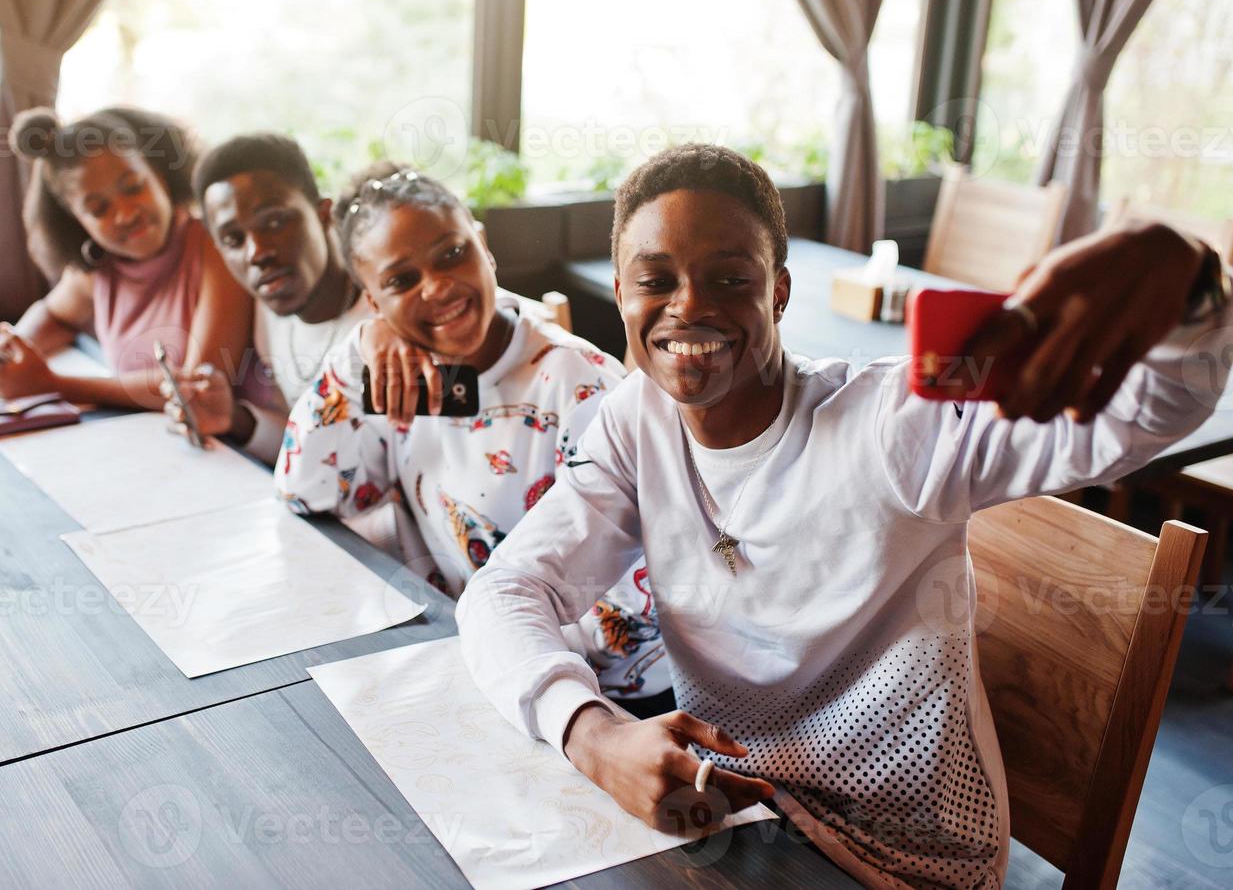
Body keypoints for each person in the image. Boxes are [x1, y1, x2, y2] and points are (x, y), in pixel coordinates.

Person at [454, 144, 1233, 888]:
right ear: (620, 295)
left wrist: (1191, 286)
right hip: (730, 812)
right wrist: (592, 734)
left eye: (728, 279)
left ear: (778, 292)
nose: (688, 305)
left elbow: (1150, 411)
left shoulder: (895, 424)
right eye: (654, 280)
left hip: (900, 859)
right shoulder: (636, 421)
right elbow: (505, 591)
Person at [275, 163, 671, 707]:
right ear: (373, 303)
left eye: (451, 254)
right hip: (457, 662)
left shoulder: (579, 386)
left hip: (587, 697)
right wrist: (356, 353)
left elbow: (629, 612)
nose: (436, 286)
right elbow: (308, 490)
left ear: (483, 246)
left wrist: (494, 659)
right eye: (400, 281)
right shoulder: (396, 377)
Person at [0, 107, 252, 410]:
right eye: (99, 209)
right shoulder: (98, 268)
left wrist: (51, 384)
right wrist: (9, 353)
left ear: (160, 174)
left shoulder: (215, 249)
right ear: (76, 221)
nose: (126, 214)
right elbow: (53, 315)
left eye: (133, 188)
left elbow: (197, 387)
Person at [161, 133, 370, 465]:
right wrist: (236, 419)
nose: (257, 253)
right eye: (233, 239)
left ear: (323, 214)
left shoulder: (385, 317)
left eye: (275, 222)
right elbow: (307, 445)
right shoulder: (269, 313)